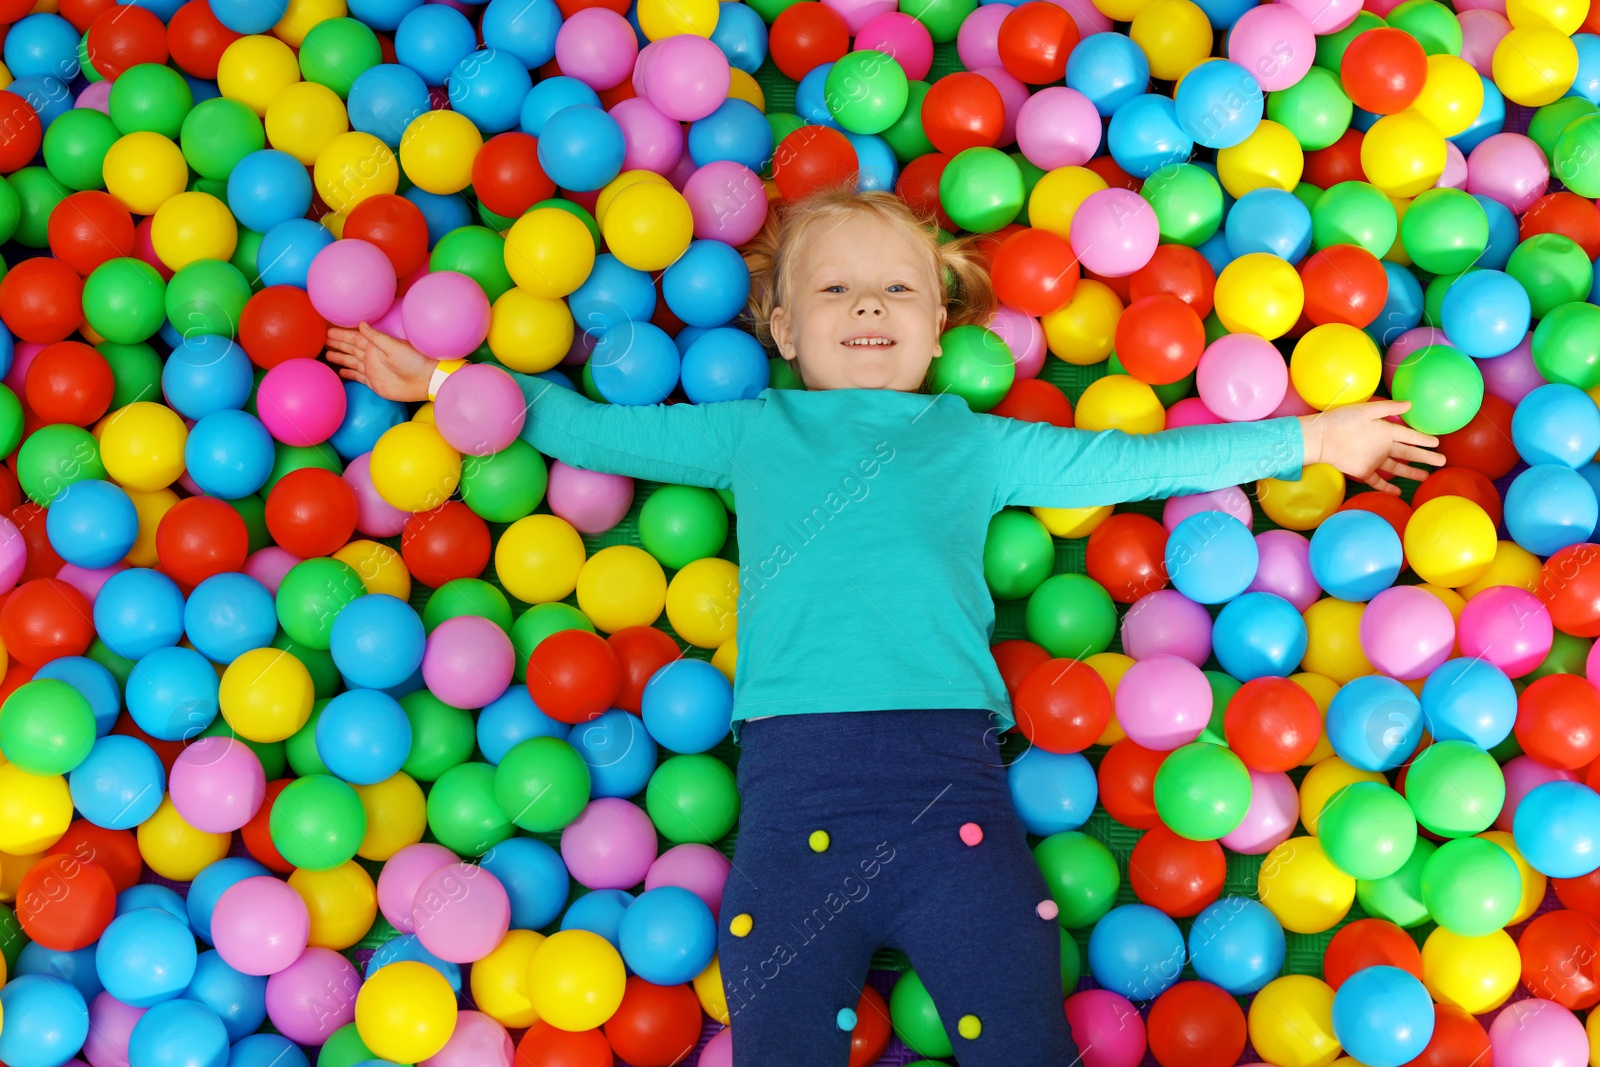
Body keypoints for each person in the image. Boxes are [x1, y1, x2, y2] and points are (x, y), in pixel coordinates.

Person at [326, 182, 1445, 1065]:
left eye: (898, 291)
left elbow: (1137, 462)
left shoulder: (971, 437)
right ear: (778, 328)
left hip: (947, 795)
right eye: (834, 291)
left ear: (941, 320)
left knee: (1019, 1029)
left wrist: (1311, 438)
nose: (868, 307)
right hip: (791, 804)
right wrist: (441, 383)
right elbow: (593, 431)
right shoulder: (749, 432)